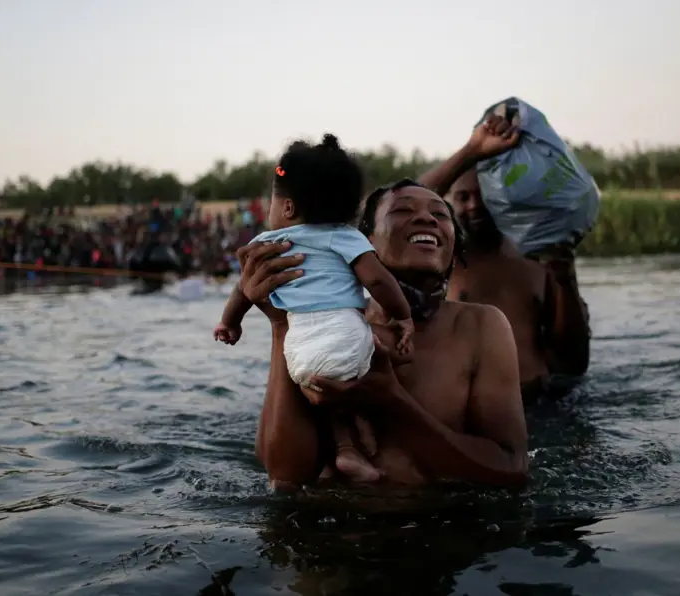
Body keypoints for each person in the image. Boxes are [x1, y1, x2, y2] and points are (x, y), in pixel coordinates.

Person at [239, 117, 529, 491]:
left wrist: (391, 402)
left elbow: (512, 470)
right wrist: (281, 326)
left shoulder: (481, 326)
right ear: (362, 243)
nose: (426, 217)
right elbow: (285, 479)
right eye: (402, 212)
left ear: (455, 248)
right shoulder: (329, 324)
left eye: (441, 215)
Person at [214, 134, 414, 484]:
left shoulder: (265, 244)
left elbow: (242, 292)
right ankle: (353, 444)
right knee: (366, 371)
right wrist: (403, 315)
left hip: (300, 345)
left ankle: (330, 459)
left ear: (287, 208)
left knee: (315, 388)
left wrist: (230, 323)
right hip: (346, 333)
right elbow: (379, 282)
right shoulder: (347, 237)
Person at [419, 121, 591, 400]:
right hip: (472, 404)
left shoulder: (538, 254)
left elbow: (574, 363)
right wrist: (472, 150)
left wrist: (565, 276)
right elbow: (402, 203)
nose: (474, 205)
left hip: (543, 403)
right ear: (449, 202)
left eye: (484, 196)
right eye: (463, 197)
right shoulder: (440, 259)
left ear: (501, 197)